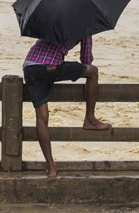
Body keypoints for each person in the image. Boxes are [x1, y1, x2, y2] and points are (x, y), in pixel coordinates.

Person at [23, 36, 111, 178]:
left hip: (30, 66)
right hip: (51, 67)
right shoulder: (84, 28)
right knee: (93, 72)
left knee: (42, 116)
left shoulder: (51, 23)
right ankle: (90, 119)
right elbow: (86, 59)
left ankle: (51, 167)